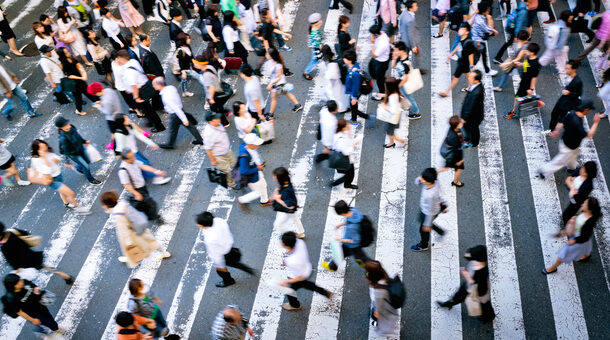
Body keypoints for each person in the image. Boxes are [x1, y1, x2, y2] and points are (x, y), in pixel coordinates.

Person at [101, 189, 171, 266]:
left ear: (107, 205)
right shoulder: (122, 204)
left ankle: (131, 257)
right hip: (138, 226)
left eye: (104, 204)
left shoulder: (118, 215)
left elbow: (123, 230)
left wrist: (128, 243)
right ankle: (163, 252)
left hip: (133, 233)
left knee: (138, 247)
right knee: (151, 241)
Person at [538, 100, 601, 178]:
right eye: (589, 110)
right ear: (586, 110)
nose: (589, 112)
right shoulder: (578, 123)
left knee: (573, 155)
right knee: (559, 162)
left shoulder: (572, 113)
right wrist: (595, 123)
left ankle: (572, 168)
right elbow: (588, 135)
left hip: (566, 142)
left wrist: (556, 130)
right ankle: (544, 171)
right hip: (568, 147)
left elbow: (561, 122)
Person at [29, 139, 91, 214]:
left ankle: (67, 204)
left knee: (62, 191)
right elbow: (47, 171)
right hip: (52, 180)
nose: (44, 149)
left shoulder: (47, 151)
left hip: (58, 175)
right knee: (71, 193)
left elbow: (57, 159)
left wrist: (54, 159)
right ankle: (79, 208)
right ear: (37, 150)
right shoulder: (36, 160)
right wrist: (45, 158)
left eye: (45, 146)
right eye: (41, 148)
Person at [196, 211, 255, 288]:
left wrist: (219, 265)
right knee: (235, 263)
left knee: (221, 271)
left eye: (199, 224)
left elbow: (215, 254)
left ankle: (229, 281)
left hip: (224, 254)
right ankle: (248, 270)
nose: (197, 225)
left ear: (205, 226)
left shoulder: (210, 239)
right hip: (230, 247)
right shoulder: (219, 221)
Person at [438, 245, 495, 323]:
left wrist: (464, 273)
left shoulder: (480, 271)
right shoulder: (481, 262)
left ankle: (489, 316)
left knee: (483, 303)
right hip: (475, 287)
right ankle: (450, 303)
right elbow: (468, 256)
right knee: (462, 296)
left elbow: (473, 282)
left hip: (479, 290)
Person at [0, 222, 73, 283]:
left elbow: (11, 260)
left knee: (24, 280)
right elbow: (26, 234)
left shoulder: (4, 247)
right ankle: (66, 276)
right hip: (31, 255)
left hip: (23, 264)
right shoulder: (12, 232)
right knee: (44, 266)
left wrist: (16, 269)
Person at [544, 197, 601, 273]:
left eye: (585, 203)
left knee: (564, 253)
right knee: (586, 247)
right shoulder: (586, 212)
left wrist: (573, 241)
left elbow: (584, 237)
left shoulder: (589, 222)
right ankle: (586, 255)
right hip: (583, 239)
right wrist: (575, 219)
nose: (582, 204)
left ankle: (553, 267)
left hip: (579, 240)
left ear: (589, 208)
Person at [279, 231, 332, 311]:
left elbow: (301, 277)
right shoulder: (299, 242)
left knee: (289, 290)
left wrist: (286, 281)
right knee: (308, 285)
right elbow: (296, 238)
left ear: (287, 245)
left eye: (282, 242)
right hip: (308, 268)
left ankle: (295, 306)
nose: (281, 243)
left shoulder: (292, 261)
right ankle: (326, 293)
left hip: (298, 276)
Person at [115, 49, 166, 132]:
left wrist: (136, 97)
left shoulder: (128, 71)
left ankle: (159, 126)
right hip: (146, 84)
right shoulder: (133, 61)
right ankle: (154, 117)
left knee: (148, 110)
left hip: (141, 90)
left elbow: (134, 85)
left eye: (118, 58)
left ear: (121, 58)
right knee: (150, 104)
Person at [118, 148, 170, 222]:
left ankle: (147, 214)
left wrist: (157, 172)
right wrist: (136, 193)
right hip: (137, 190)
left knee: (144, 204)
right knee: (152, 204)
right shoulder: (123, 170)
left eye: (133, 156)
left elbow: (143, 166)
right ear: (126, 159)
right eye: (132, 157)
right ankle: (156, 218)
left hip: (142, 186)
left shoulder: (133, 161)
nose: (134, 158)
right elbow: (126, 184)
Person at [152, 77, 203, 149]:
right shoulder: (171, 88)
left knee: (173, 130)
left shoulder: (166, 96)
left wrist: (184, 119)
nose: (153, 86)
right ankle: (200, 139)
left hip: (175, 114)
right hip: (180, 109)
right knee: (190, 126)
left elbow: (175, 108)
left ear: (159, 85)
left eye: (154, 85)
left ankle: (170, 144)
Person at [321, 200, 371, 271]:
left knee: (361, 259)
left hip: (354, 246)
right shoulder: (352, 210)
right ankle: (332, 267)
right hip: (347, 244)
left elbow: (354, 241)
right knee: (340, 253)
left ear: (341, 213)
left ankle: (372, 270)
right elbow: (350, 220)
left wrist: (340, 239)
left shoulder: (352, 228)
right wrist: (341, 224)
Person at [55, 116, 101, 185]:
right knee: (86, 166)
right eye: (66, 124)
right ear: (61, 128)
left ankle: (78, 168)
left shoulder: (72, 127)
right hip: (74, 154)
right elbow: (66, 151)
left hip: (80, 148)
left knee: (87, 160)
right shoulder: (63, 138)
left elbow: (78, 136)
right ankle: (91, 180)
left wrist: (84, 141)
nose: (68, 124)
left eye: (67, 123)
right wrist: (67, 162)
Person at [410, 168, 447, 251]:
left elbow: (430, 211)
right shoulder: (436, 182)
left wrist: (427, 223)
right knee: (427, 225)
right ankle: (440, 231)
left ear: (428, 181)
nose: (421, 179)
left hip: (428, 212)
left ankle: (423, 245)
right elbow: (417, 181)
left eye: (423, 179)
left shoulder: (429, 195)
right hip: (435, 208)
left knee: (423, 230)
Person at [542, 60, 583, 135]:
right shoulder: (569, 76)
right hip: (562, 100)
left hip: (568, 103)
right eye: (566, 68)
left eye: (568, 69)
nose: (565, 70)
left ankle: (571, 133)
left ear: (574, 70)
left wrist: (569, 93)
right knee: (554, 114)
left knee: (563, 119)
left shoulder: (578, 81)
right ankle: (552, 130)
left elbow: (578, 93)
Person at [234, 133, 272, 212]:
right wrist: (257, 168)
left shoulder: (245, 146)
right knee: (258, 192)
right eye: (256, 144)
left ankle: (264, 201)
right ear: (250, 144)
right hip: (253, 176)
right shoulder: (244, 157)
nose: (258, 146)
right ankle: (241, 200)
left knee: (264, 185)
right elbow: (244, 171)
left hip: (257, 171)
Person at [439, 23, 478, 97]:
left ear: (467, 32)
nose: (460, 30)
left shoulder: (468, 42)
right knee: (467, 75)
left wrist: (471, 66)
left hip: (464, 63)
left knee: (455, 77)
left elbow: (471, 55)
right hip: (462, 60)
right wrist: (451, 53)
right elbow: (459, 45)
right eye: (460, 28)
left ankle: (446, 92)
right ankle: (470, 88)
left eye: (463, 29)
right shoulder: (462, 38)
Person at [57, 47, 99, 116]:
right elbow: (69, 76)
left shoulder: (71, 58)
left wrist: (84, 74)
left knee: (87, 91)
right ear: (63, 55)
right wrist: (81, 77)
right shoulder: (64, 64)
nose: (68, 52)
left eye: (67, 51)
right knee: (78, 97)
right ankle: (79, 110)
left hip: (80, 80)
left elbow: (79, 65)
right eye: (66, 52)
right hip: (74, 82)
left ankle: (96, 101)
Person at [504, 43, 541, 119]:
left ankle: (513, 112)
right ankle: (536, 103)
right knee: (522, 97)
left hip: (526, 84)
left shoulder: (535, 64)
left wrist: (530, 89)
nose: (525, 51)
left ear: (532, 52)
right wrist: (520, 64)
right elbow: (526, 64)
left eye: (528, 50)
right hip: (523, 81)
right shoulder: (529, 57)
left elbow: (534, 78)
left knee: (517, 97)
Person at [204, 111, 239, 189]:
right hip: (219, 156)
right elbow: (208, 149)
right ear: (211, 121)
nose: (218, 118)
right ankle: (232, 184)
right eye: (216, 118)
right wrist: (213, 160)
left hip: (227, 151)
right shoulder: (209, 134)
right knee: (227, 171)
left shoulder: (218, 124)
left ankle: (236, 178)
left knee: (234, 164)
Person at [364, 260, 400, 336]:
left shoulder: (378, 292)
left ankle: (381, 327)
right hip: (388, 303)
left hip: (384, 308)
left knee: (380, 321)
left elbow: (379, 306)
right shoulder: (383, 276)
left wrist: (376, 313)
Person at [266, 47, 302, 117]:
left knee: (273, 98)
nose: (266, 54)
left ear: (271, 56)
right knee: (286, 94)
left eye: (267, 53)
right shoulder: (271, 62)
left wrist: (271, 83)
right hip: (278, 84)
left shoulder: (278, 66)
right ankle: (298, 105)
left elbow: (279, 77)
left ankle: (270, 115)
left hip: (278, 85)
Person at [271, 167, 305, 238]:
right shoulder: (286, 183)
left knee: (278, 224)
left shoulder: (286, 191)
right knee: (295, 217)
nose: (273, 177)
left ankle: (291, 235)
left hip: (288, 209)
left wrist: (278, 199)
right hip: (292, 208)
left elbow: (290, 206)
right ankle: (301, 232)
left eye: (275, 176)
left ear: (280, 178)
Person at [393, 41, 421, 119]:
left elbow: (406, 78)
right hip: (401, 82)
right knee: (406, 97)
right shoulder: (399, 57)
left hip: (405, 84)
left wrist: (398, 86)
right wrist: (395, 59)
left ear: (401, 51)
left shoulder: (406, 63)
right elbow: (393, 66)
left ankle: (416, 113)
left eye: (396, 50)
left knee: (410, 99)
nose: (395, 52)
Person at [330, 118, 359, 189]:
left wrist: (348, 131)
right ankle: (345, 184)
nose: (348, 124)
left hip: (338, 156)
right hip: (345, 159)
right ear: (343, 127)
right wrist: (354, 144)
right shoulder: (341, 140)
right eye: (347, 124)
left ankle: (341, 180)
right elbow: (346, 152)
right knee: (350, 174)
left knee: (347, 172)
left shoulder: (337, 133)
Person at [470, 2, 498, 76]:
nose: (489, 11)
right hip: (478, 41)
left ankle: (486, 70)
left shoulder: (479, 16)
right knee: (478, 56)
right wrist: (493, 30)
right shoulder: (480, 20)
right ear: (484, 11)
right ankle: (471, 68)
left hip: (477, 39)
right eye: (488, 10)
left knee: (482, 55)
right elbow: (486, 29)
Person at [343, 50, 370, 123]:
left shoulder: (354, 73)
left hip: (355, 93)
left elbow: (355, 86)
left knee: (353, 106)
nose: (343, 59)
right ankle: (356, 118)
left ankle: (359, 119)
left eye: (345, 58)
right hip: (354, 91)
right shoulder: (354, 65)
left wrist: (354, 97)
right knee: (353, 106)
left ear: (350, 60)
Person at [438, 115, 465, 187]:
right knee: (459, 168)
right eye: (460, 122)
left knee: (448, 166)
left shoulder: (453, 129)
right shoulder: (454, 137)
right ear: (456, 125)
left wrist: (463, 142)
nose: (462, 122)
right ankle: (455, 181)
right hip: (455, 157)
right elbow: (456, 150)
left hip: (453, 155)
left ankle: (435, 173)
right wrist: (459, 160)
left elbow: (460, 137)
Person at [320, 45, 348, 113]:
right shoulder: (334, 56)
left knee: (337, 96)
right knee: (342, 95)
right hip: (340, 80)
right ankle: (344, 108)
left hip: (335, 82)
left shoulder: (329, 64)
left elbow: (327, 85)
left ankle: (341, 108)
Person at [460, 70, 484, 148]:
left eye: (471, 77)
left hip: (474, 116)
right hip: (471, 115)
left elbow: (471, 106)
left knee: (473, 129)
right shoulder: (475, 85)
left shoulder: (476, 92)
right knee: (467, 127)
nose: (468, 77)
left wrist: (464, 118)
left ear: (476, 80)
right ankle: (468, 137)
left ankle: (474, 142)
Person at [379, 77, 405, 148]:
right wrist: (383, 95)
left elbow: (393, 110)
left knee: (389, 132)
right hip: (392, 117)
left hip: (391, 117)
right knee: (389, 131)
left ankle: (401, 141)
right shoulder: (396, 91)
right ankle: (391, 142)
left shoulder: (393, 97)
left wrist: (384, 106)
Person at [369, 25, 391, 100]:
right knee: (371, 66)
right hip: (380, 59)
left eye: (371, 34)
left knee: (379, 80)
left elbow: (374, 55)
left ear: (375, 34)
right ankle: (378, 76)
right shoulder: (382, 34)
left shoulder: (383, 44)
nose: (371, 36)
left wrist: (372, 43)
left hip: (381, 62)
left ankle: (382, 94)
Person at [399, 1, 422, 71]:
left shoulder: (405, 12)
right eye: (415, 6)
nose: (417, 7)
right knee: (417, 54)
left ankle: (404, 68)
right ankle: (416, 69)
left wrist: (400, 32)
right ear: (410, 9)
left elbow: (400, 21)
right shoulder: (410, 20)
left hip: (403, 38)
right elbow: (410, 34)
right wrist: (413, 46)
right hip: (410, 42)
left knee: (405, 55)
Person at [175, 32, 197, 97]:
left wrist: (194, 62)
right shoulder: (181, 51)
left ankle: (184, 92)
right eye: (187, 39)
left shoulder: (188, 46)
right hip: (185, 68)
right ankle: (184, 92)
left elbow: (191, 55)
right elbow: (180, 62)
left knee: (185, 79)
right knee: (185, 79)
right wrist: (183, 72)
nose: (189, 39)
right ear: (183, 40)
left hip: (189, 65)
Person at [303, 13, 323, 80]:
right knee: (314, 60)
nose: (321, 21)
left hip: (313, 47)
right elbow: (319, 45)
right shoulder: (315, 33)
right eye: (319, 20)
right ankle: (306, 72)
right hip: (315, 48)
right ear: (315, 23)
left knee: (314, 59)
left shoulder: (314, 28)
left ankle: (306, 71)